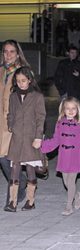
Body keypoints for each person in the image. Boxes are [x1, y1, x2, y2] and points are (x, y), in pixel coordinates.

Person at [41, 97, 80, 216]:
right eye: (68, 108)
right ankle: (77, 194)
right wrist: (42, 146)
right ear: (63, 110)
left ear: (77, 110)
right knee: (66, 182)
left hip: (76, 157)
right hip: (64, 157)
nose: (70, 111)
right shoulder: (59, 124)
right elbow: (55, 140)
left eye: (73, 108)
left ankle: (69, 206)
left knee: (71, 181)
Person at [4, 66, 46, 212]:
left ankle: (30, 200)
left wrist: (38, 137)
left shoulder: (37, 97)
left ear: (29, 80)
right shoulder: (13, 96)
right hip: (17, 138)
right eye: (18, 81)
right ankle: (12, 202)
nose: (21, 83)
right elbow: (10, 113)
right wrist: (11, 125)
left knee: (30, 169)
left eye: (23, 80)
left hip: (30, 138)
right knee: (14, 169)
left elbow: (41, 118)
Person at [0, 40, 29, 210]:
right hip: (0, 124)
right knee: (4, 159)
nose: (8, 55)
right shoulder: (1, 71)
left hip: (14, 124)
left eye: (12, 51)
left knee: (8, 159)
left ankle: (12, 197)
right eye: (5, 51)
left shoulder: (23, 73)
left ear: (18, 54)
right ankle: (22, 181)